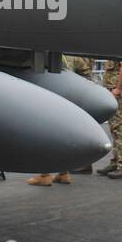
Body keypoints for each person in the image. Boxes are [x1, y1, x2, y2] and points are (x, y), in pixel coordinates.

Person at [28, 55, 95, 186]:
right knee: (65, 136)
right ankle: (64, 173)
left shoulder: (50, 56)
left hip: (52, 100)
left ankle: (45, 175)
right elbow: (86, 75)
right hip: (71, 101)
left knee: (45, 136)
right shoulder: (74, 57)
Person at [97, 59, 122, 179]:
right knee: (115, 129)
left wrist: (118, 88)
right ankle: (116, 162)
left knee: (119, 129)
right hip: (118, 93)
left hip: (120, 94)